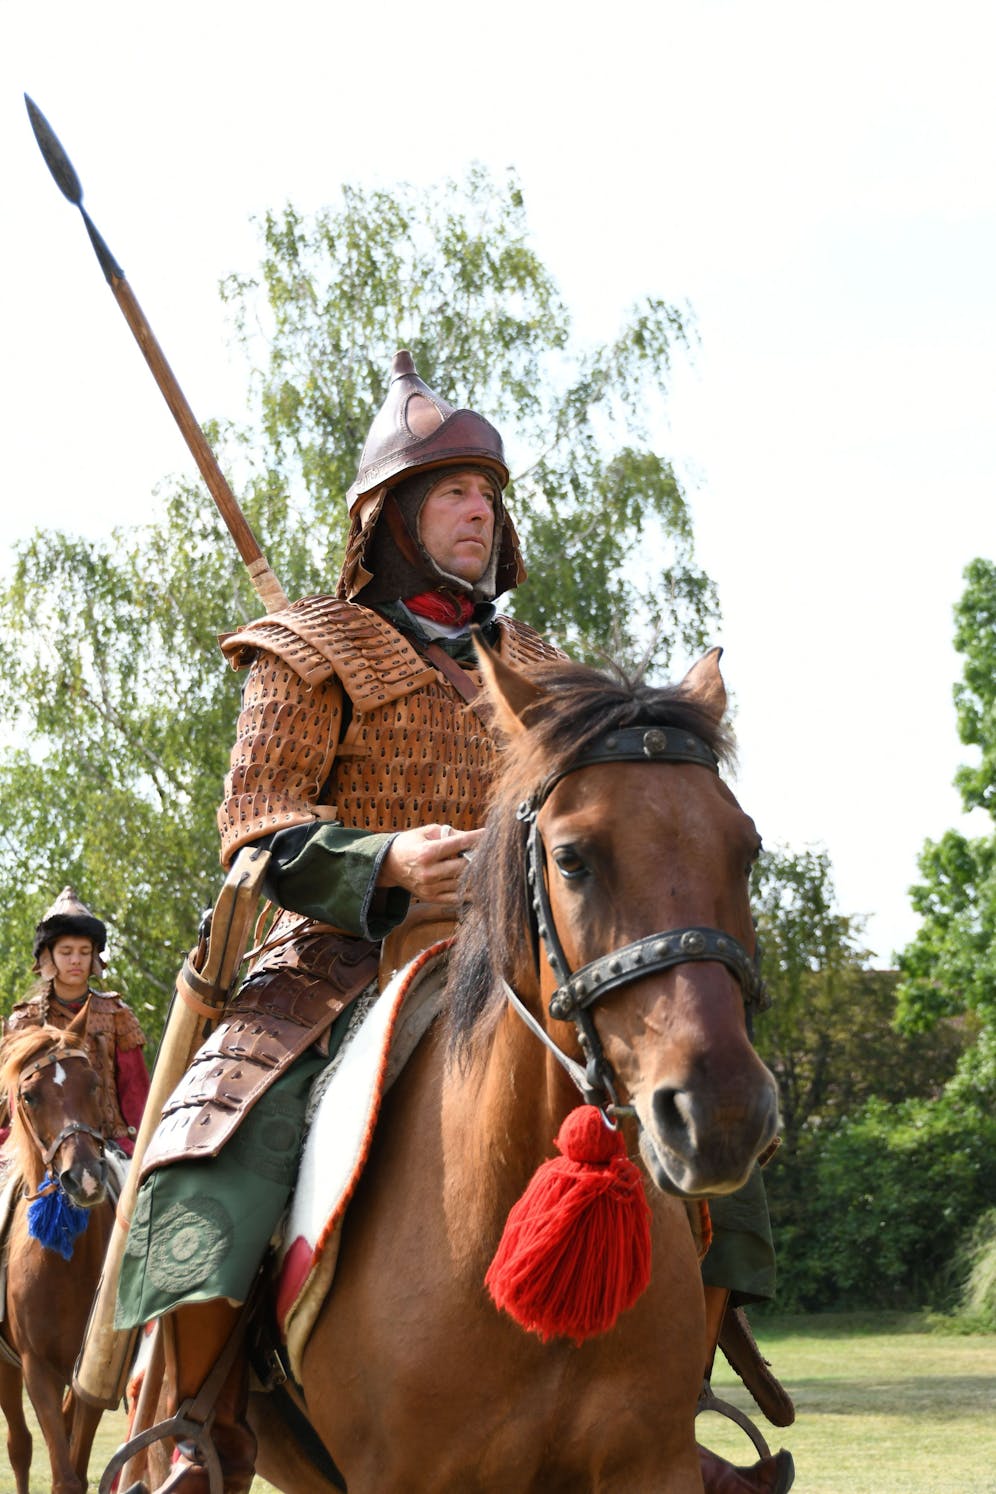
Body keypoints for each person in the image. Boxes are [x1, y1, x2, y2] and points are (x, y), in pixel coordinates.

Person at [114, 352, 792, 1494]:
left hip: (529, 964)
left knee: (717, 1113)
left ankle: (679, 1396)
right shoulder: (307, 650)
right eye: (452, 492)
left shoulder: (545, 672)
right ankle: (193, 1416)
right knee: (216, 1140)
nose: (480, 511)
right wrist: (381, 863)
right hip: (340, 960)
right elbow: (253, 828)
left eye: (488, 493)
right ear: (391, 518)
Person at [1, 886, 150, 1156]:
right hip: (38, 1148)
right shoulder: (25, 1022)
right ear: (49, 956)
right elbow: (10, 1101)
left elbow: (136, 1092)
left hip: (111, 1145)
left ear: (94, 956)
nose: (75, 960)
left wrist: (141, 1148)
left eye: (83, 951)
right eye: (66, 951)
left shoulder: (116, 1014)